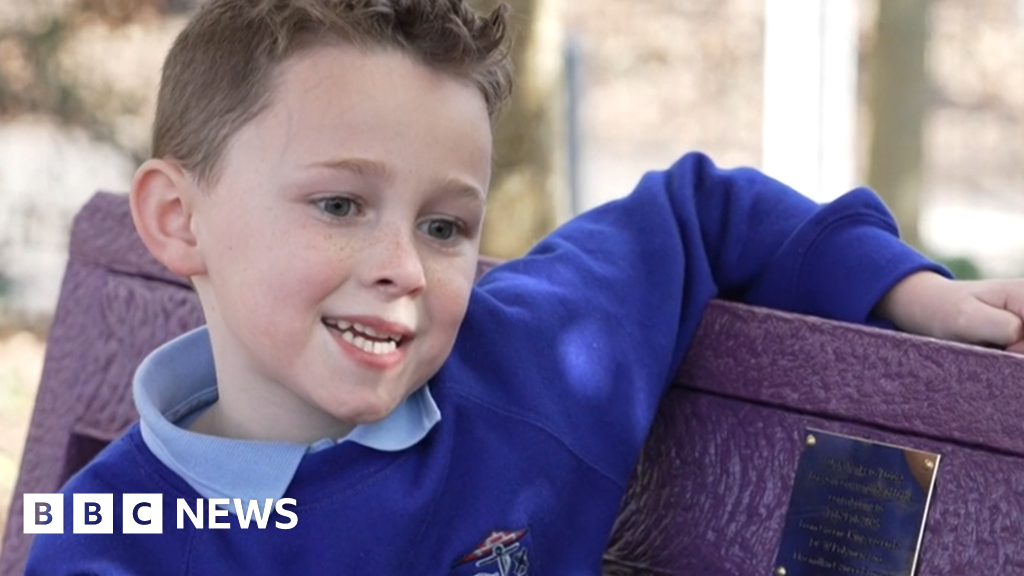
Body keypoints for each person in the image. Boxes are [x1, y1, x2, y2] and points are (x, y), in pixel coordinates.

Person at [25, 0, 1024, 574]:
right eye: (339, 205)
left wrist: (904, 290)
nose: (402, 266)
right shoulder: (109, 538)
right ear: (176, 219)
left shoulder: (528, 364)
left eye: (445, 225)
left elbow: (698, 208)